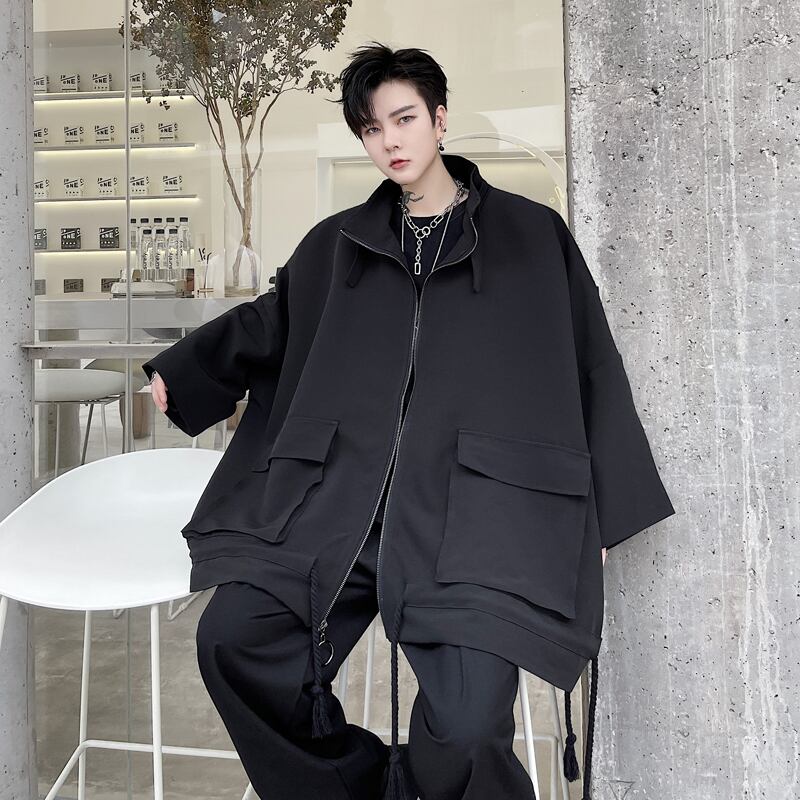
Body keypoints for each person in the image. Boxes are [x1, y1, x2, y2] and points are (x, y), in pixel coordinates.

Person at [145, 41, 674, 800]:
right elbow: (275, 321)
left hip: (476, 519)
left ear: (440, 119)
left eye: (404, 119)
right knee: (231, 643)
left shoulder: (532, 236)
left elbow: (590, 362)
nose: (389, 141)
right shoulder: (337, 244)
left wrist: (601, 512)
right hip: (337, 506)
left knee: (468, 726)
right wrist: (189, 371)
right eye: (371, 128)